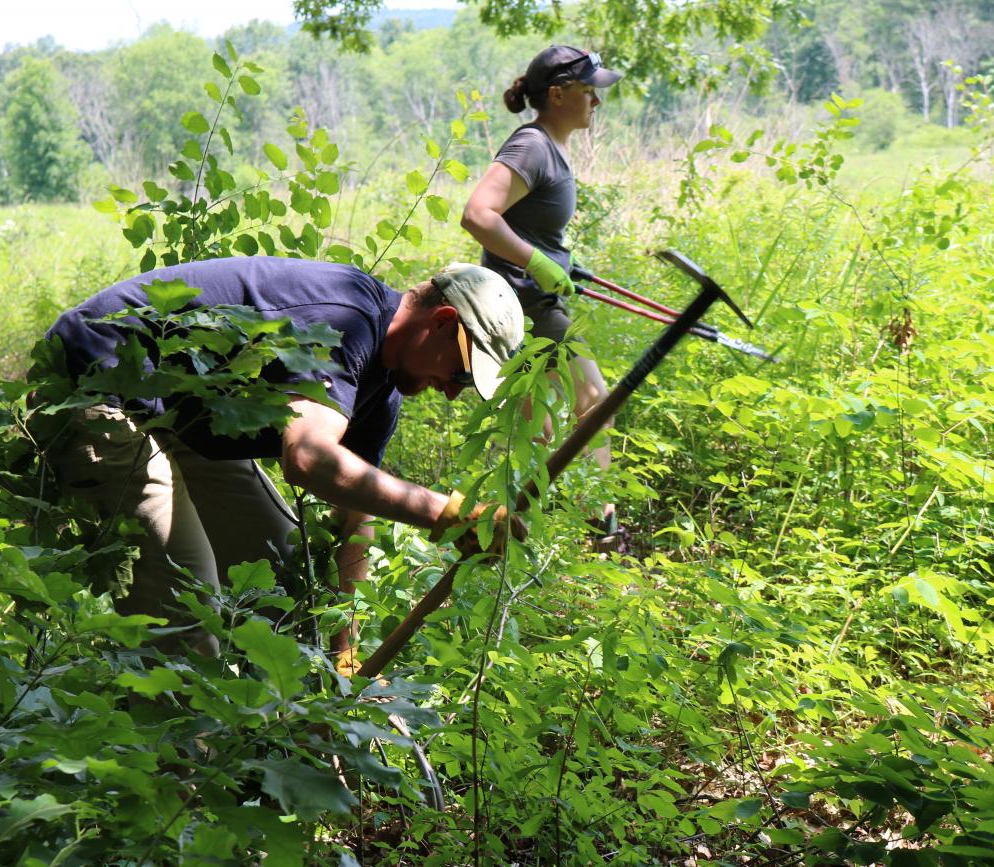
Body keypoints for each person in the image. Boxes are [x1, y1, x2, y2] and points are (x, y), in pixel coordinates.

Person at [39, 256, 526, 672]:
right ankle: (187, 772)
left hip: (179, 413)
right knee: (186, 605)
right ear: (442, 322)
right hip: (101, 383)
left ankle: (283, 726)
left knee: (281, 569)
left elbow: (356, 518)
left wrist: (346, 652)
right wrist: (445, 513)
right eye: (462, 371)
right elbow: (308, 458)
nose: (452, 390)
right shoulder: (345, 320)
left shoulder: (382, 392)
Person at [460, 45, 629, 551]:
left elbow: (522, 224)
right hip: (524, 305)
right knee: (594, 401)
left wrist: (559, 259)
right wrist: (536, 262)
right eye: (588, 90)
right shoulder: (532, 145)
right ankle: (600, 528)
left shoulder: (549, 148)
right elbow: (478, 215)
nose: (597, 102)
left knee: (534, 426)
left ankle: (512, 535)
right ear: (557, 95)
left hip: (528, 301)